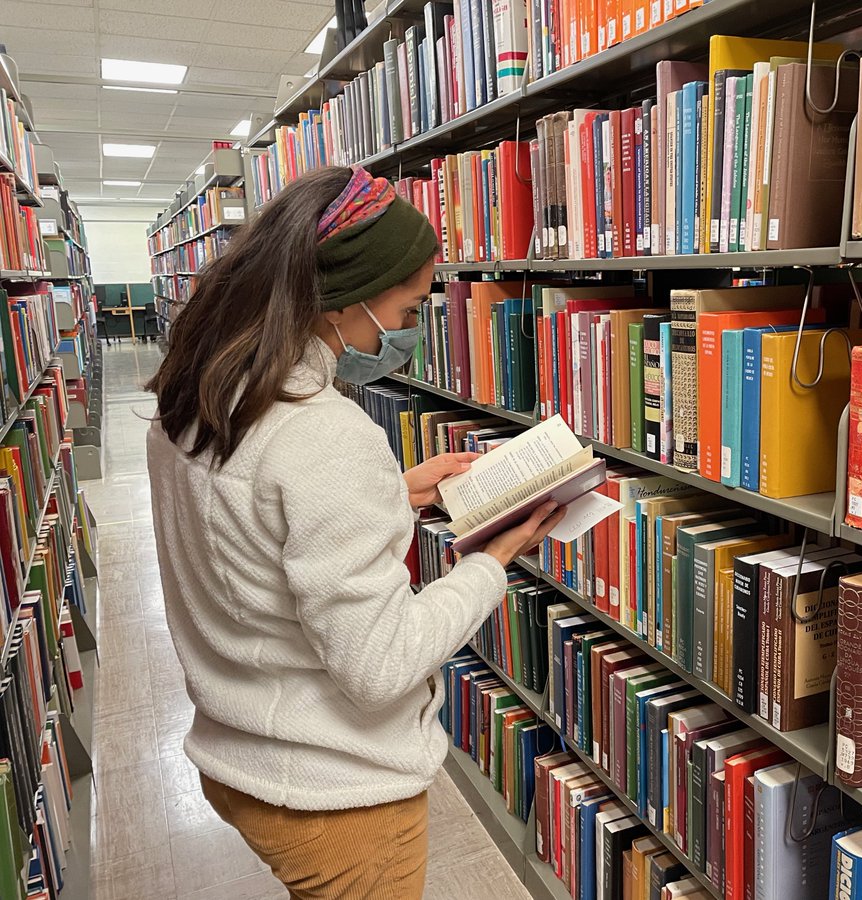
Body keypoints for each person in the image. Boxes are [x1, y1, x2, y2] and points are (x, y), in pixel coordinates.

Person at [145, 165, 565, 899]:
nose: (407, 333)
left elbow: (247, 530)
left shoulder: (198, 391)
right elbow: (381, 667)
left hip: (242, 753)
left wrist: (393, 496)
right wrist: (494, 560)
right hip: (336, 795)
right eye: (406, 311)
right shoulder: (323, 436)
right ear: (343, 302)